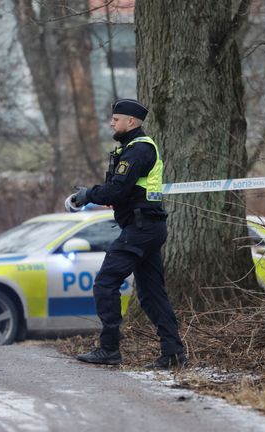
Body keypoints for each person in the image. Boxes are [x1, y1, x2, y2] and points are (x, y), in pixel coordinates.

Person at [71, 98, 187, 369]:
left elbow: (117, 191)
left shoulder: (138, 150)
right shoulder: (132, 149)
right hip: (146, 226)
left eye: (116, 119)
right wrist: (100, 194)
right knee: (151, 294)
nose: (112, 122)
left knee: (105, 283)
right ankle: (173, 353)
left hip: (141, 228)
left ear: (131, 122)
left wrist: (88, 194)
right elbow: (124, 192)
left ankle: (109, 349)